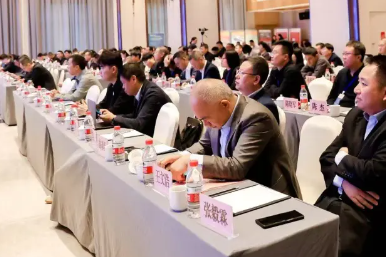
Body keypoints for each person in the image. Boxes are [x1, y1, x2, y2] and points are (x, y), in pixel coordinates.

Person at [315, 55, 386, 257]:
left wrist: (342, 158)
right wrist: (344, 183)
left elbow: (373, 173)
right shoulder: (356, 115)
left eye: (364, 84)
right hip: (339, 203)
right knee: (299, 239)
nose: (356, 89)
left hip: (375, 222)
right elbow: (326, 157)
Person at [158, 80, 300, 196]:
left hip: (269, 192)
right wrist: (182, 156)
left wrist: (190, 161)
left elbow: (237, 167)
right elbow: (204, 144)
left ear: (224, 104)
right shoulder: (217, 111)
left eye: (206, 119)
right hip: (237, 186)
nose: (205, 125)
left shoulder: (256, 117)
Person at [98, 62, 171, 137]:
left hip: (157, 139)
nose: (123, 87)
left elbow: (139, 124)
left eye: (124, 83)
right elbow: (134, 115)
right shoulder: (141, 89)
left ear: (133, 79)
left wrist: (113, 118)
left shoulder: (153, 94)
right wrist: (113, 117)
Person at [235, 57, 279, 123]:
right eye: (238, 71)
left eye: (242, 73)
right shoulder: (240, 98)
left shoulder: (265, 106)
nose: (236, 76)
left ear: (256, 79)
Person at [93, 50, 134, 115]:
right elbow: (103, 104)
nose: (100, 72)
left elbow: (114, 112)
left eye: (102, 67)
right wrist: (89, 108)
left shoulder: (124, 86)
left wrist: (92, 110)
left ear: (113, 69)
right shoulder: (111, 85)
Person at [327, 41, 366, 108]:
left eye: (347, 54)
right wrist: (330, 108)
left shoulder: (366, 75)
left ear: (358, 57)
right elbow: (331, 97)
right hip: (336, 109)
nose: (344, 57)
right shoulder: (342, 72)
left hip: (353, 111)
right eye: (343, 54)